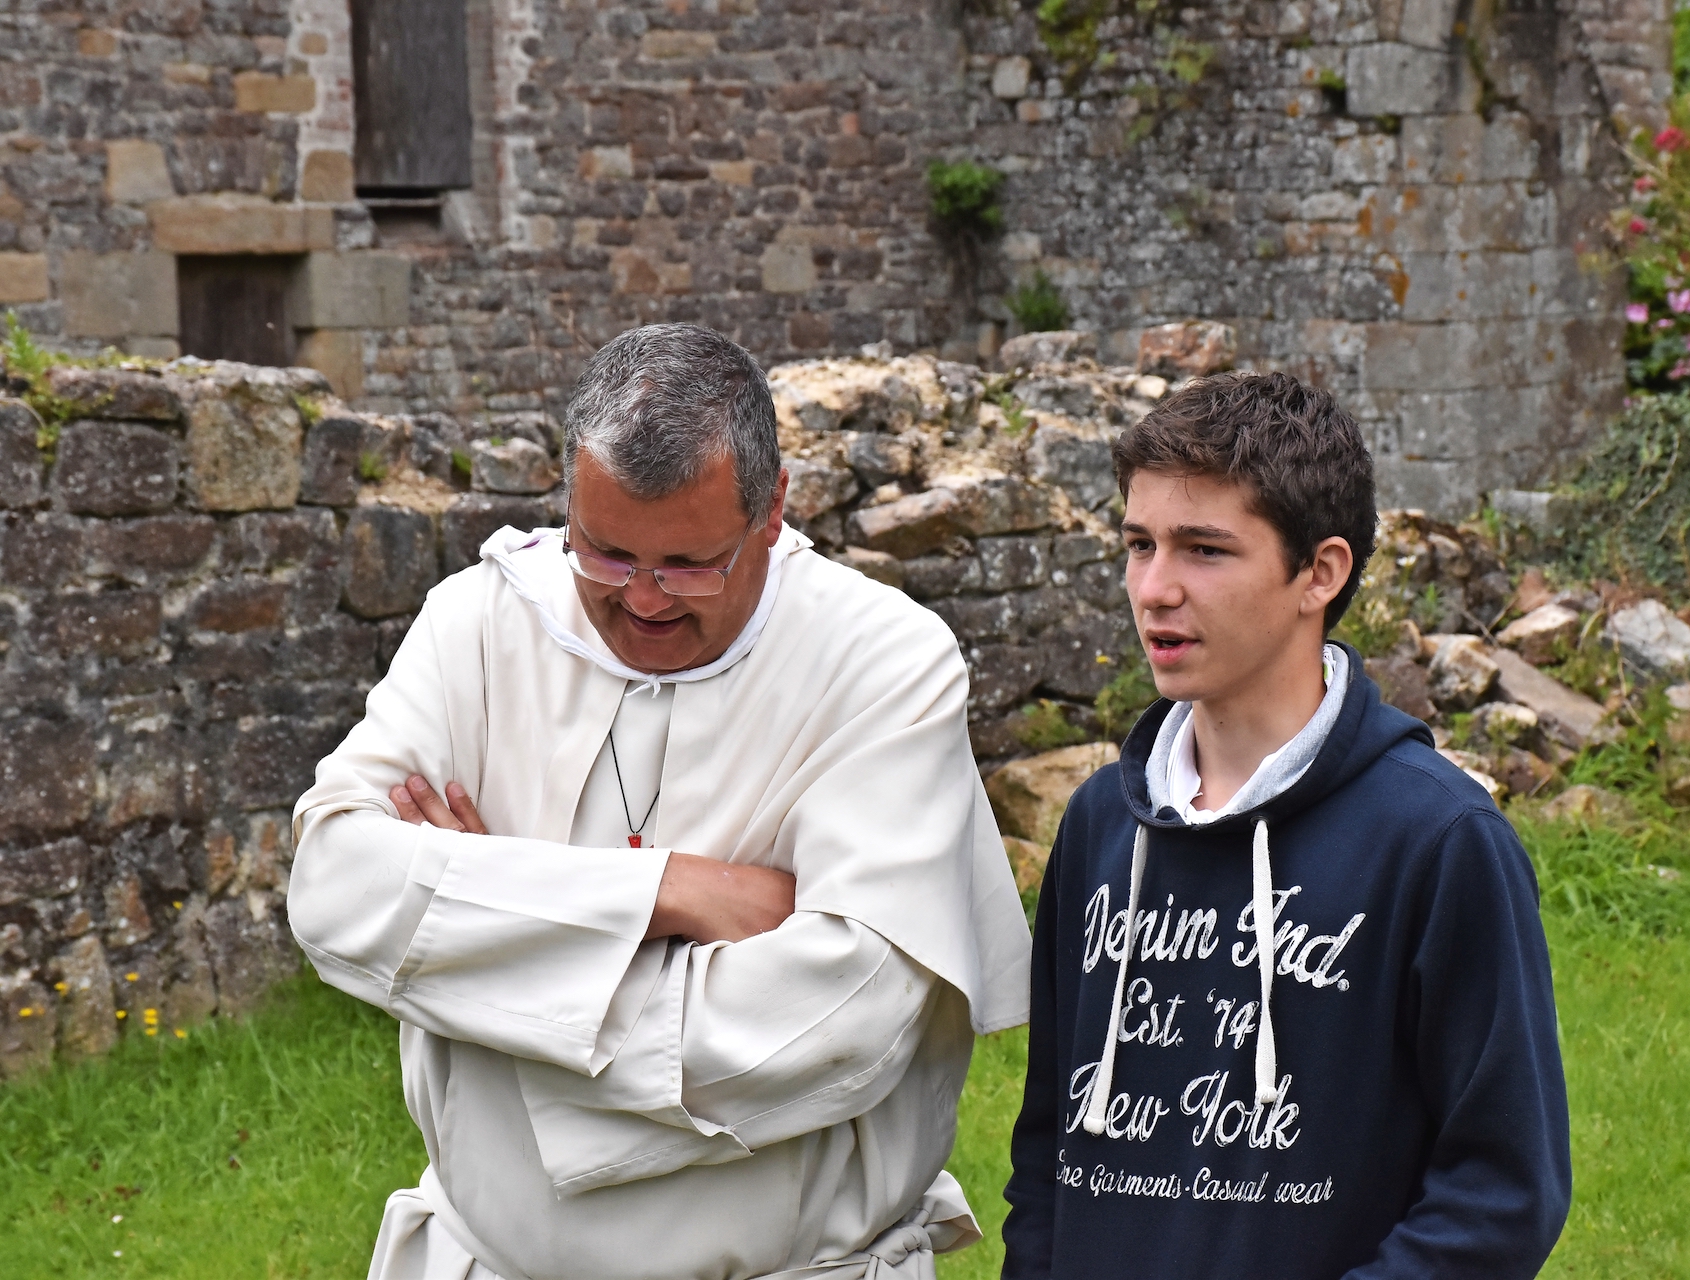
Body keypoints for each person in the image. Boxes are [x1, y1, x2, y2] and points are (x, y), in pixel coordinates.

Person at [287, 323, 1030, 1280]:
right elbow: (334, 887)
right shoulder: (479, 622)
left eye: (689, 564)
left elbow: (841, 1018)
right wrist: (669, 891)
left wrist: (474, 955)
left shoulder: (883, 662)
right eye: (602, 553)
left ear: (772, 513)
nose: (643, 601)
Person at [1000, 373, 1570, 1279]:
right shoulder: (1102, 825)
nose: (1154, 589)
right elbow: (1048, 1159)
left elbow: (1503, 1193)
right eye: (1139, 544)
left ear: (1321, 572)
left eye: (1204, 550)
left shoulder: (1437, 841)